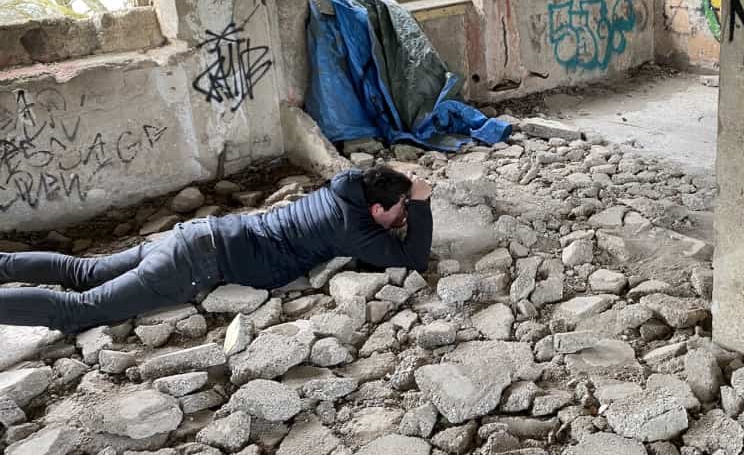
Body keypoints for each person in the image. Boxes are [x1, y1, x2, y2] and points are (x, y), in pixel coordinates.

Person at [0, 165, 432, 333]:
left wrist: (404, 188)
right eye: (400, 210)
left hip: (197, 234)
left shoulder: (347, 186)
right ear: (377, 208)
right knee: (79, 308)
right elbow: (414, 260)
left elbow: (379, 185)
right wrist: (424, 202)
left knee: (82, 272)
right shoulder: (351, 227)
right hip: (195, 262)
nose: (403, 217)